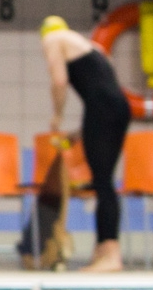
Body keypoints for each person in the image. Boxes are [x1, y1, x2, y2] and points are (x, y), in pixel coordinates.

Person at [41, 16, 130, 271]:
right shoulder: (91, 47)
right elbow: (106, 90)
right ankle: (103, 251)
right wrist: (82, 132)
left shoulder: (53, 38)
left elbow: (59, 81)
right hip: (117, 108)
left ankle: (111, 255)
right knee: (104, 181)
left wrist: (56, 116)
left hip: (102, 109)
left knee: (103, 183)